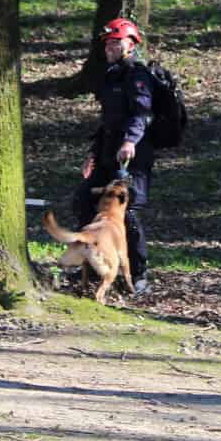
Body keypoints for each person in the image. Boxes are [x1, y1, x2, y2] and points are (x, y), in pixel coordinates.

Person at [71, 17, 154, 298]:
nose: (110, 47)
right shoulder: (110, 75)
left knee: (128, 214)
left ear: (130, 45)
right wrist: (93, 154)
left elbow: (142, 114)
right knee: (83, 200)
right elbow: (107, 121)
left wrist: (131, 141)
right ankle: (88, 264)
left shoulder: (138, 75)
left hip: (133, 156)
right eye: (107, 42)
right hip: (107, 153)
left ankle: (139, 275)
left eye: (116, 42)